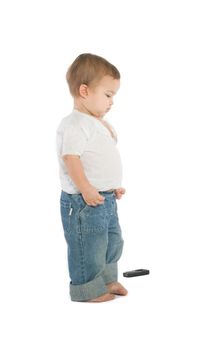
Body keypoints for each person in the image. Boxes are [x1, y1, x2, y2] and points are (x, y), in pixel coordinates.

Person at [57, 53, 127, 302]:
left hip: (105, 198)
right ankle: (87, 289)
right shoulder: (75, 123)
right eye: (108, 95)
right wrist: (85, 188)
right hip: (84, 201)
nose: (111, 102)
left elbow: (100, 159)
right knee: (89, 245)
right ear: (84, 91)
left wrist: (113, 186)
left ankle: (107, 280)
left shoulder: (97, 123)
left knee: (111, 241)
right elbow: (71, 158)